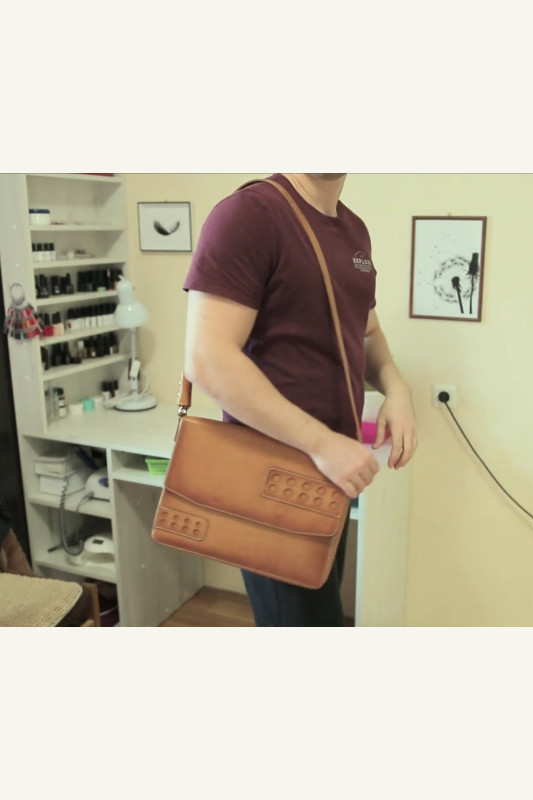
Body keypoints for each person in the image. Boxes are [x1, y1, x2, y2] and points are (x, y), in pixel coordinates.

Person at [183, 173, 417, 626]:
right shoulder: (248, 216)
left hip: (333, 476)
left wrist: (396, 386)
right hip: (271, 479)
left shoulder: (353, 229)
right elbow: (207, 359)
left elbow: (365, 331)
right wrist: (321, 443)